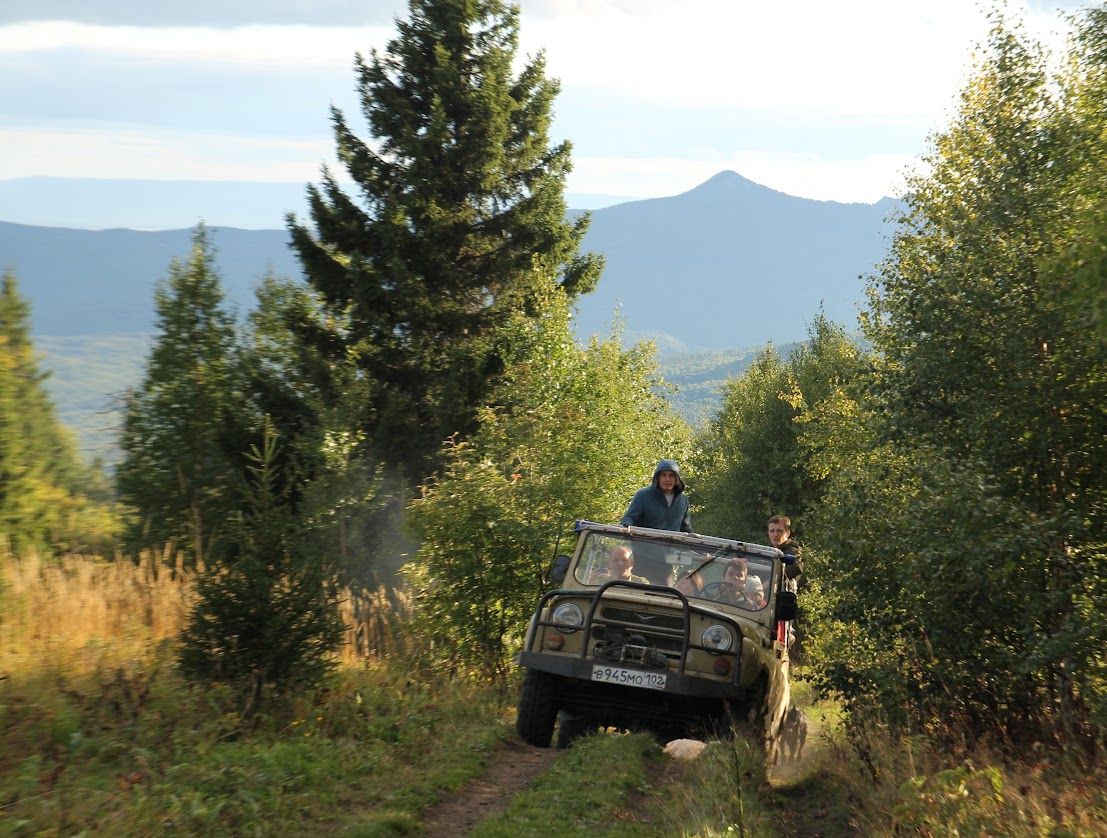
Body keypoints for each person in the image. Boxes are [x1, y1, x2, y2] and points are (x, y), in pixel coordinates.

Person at [620, 459, 692, 533]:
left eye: (671, 475)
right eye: (664, 475)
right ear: (658, 477)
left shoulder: (683, 500)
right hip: (645, 542)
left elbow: (685, 528)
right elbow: (629, 518)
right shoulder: (643, 496)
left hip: (672, 544)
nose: (667, 479)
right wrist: (626, 525)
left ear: (677, 479)